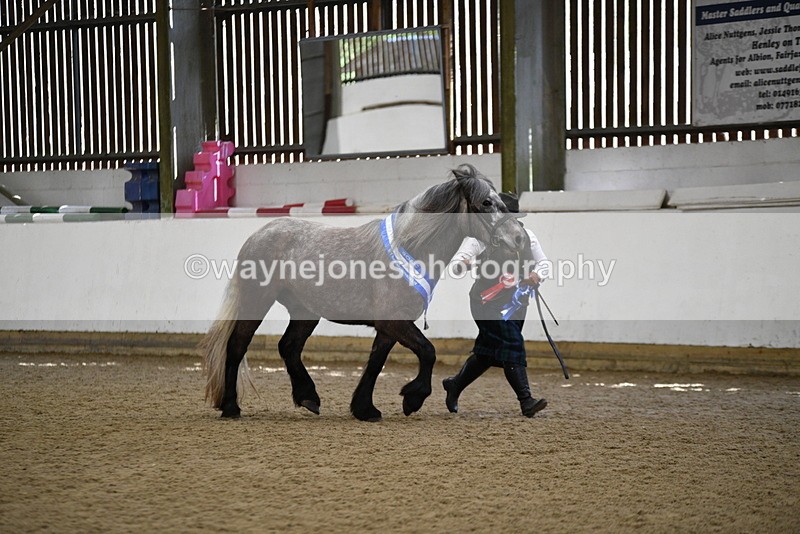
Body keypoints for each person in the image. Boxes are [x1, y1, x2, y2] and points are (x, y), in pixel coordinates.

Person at [443, 192, 549, 417]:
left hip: (518, 304)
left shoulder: (528, 236)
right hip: (486, 303)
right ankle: (526, 401)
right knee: (512, 343)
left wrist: (537, 275)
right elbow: (458, 263)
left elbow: (544, 264)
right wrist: (467, 263)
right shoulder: (480, 238)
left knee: (488, 354)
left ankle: (455, 385)